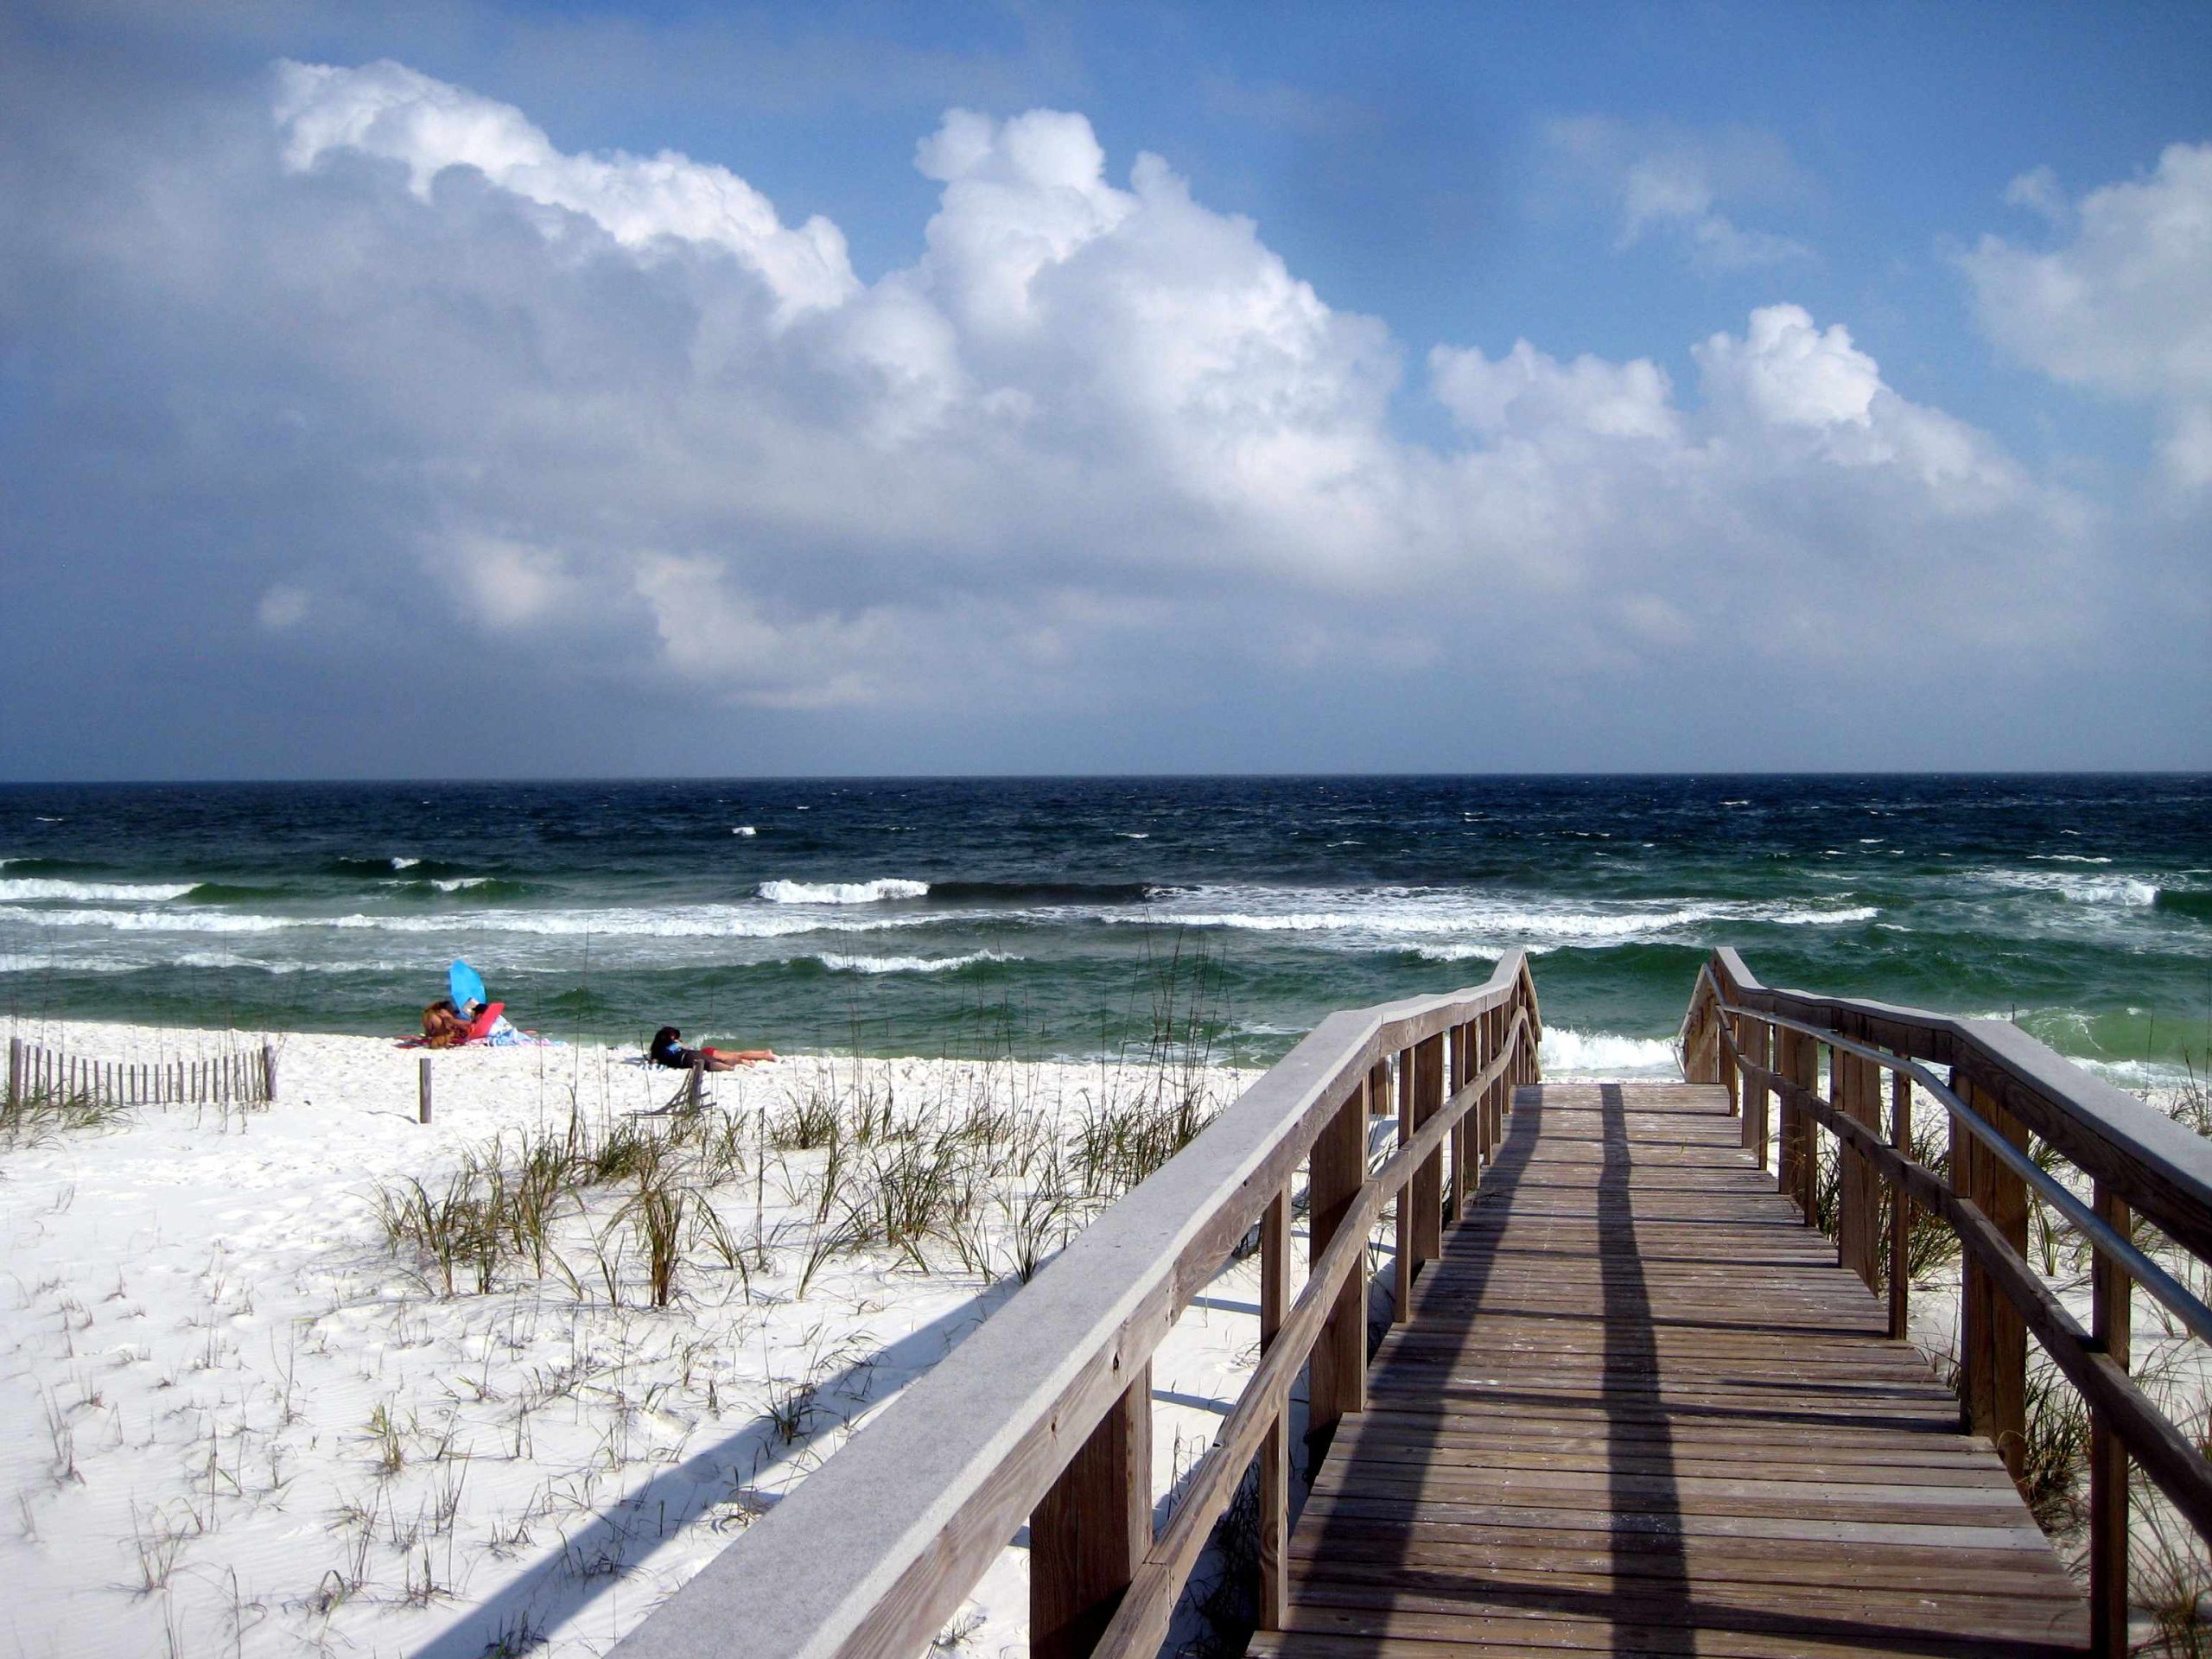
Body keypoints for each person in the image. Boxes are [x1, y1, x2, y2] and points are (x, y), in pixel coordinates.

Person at [648, 1026, 773, 1071]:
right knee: (738, 1055)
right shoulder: (675, 1044)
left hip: (702, 1053)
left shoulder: (660, 1048)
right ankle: (764, 1054)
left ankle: (764, 1055)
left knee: (738, 1055)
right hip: (703, 1052)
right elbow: (687, 1047)